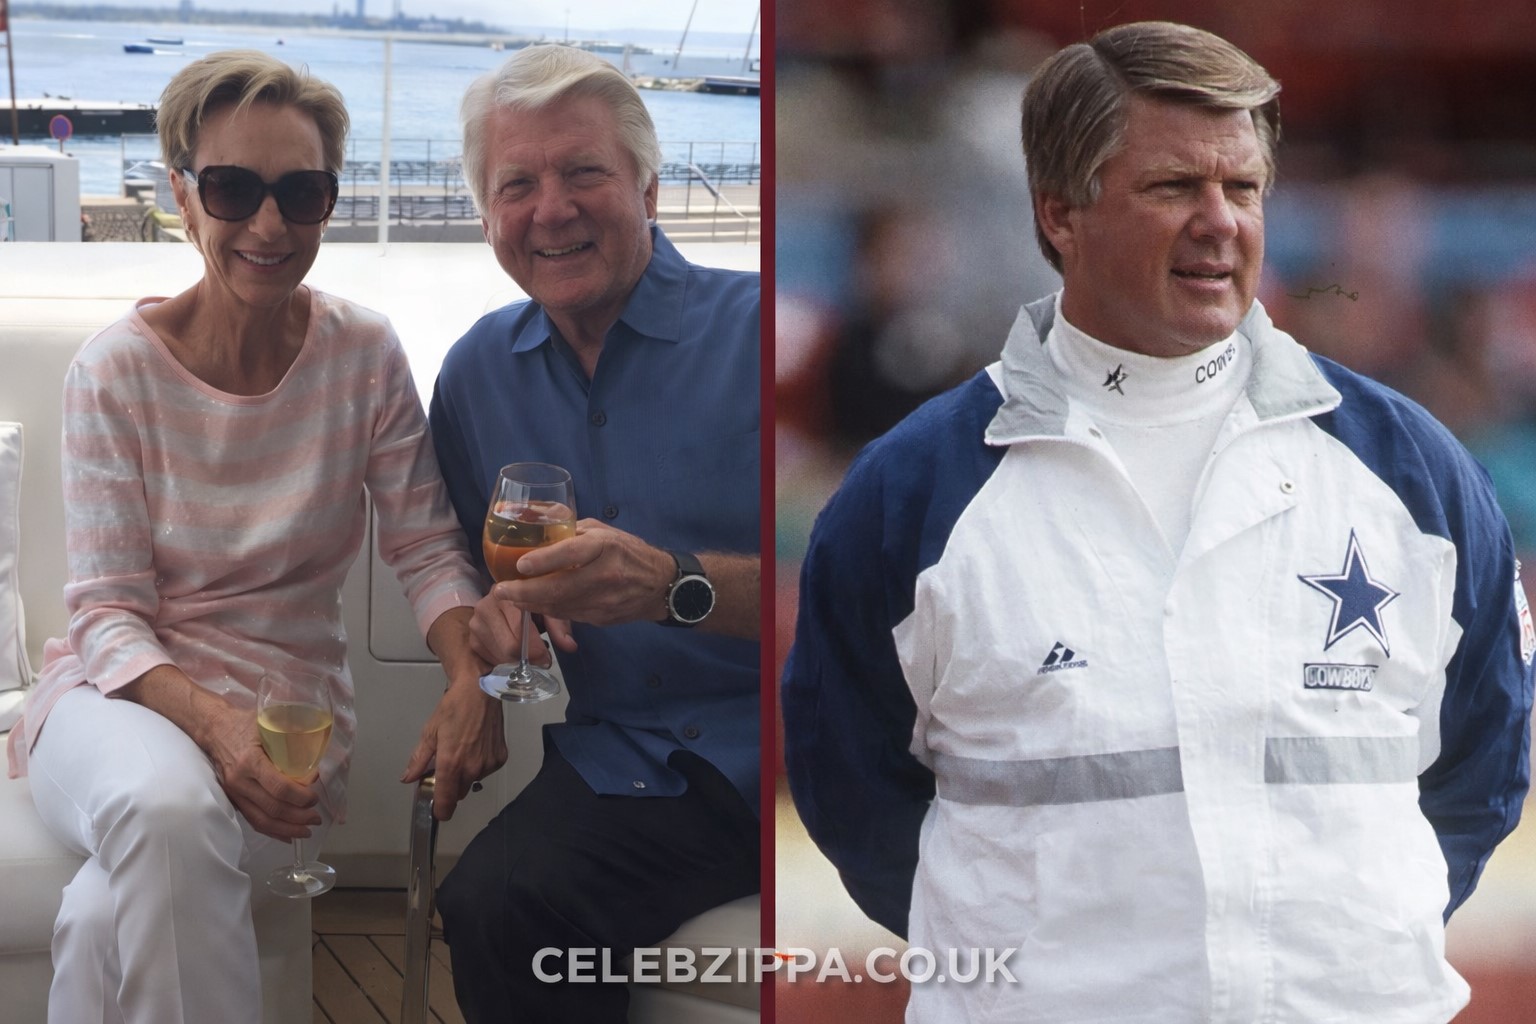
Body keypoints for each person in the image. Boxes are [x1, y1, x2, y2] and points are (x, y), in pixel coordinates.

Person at [782, 20, 1534, 1023]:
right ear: (1060, 213)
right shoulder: (908, 496)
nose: (1221, 222)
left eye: (1244, 187)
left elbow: (1484, 768)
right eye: (1175, 186)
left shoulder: (1417, 472)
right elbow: (854, 800)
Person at [4, 51, 504, 1024]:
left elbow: (425, 546)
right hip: (115, 702)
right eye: (234, 189)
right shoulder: (115, 373)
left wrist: (466, 678)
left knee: (105, 917)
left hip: (289, 733)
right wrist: (216, 728)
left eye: (301, 193)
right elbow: (107, 617)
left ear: (329, 202)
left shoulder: (363, 354)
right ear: (182, 195)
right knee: (165, 804)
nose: (269, 225)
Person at [427, 44, 761, 1022]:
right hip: (629, 767)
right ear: (487, 216)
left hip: (803, 748)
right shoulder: (477, 374)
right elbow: (472, 574)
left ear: (648, 190)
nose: (552, 210)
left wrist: (671, 586)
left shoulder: (766, 335)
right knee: (492, 902)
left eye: (584, 172)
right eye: (516, 185)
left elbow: (865, 595)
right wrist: (484, 658)